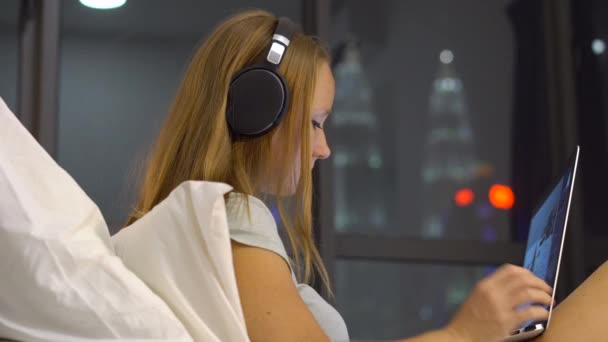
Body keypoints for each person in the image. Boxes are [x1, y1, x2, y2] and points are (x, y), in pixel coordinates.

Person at [125, 9, 601, 342]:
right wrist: (461, 333)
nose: (323, 148)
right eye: (314, 123)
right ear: (256, 110)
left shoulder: (184, 229)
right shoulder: (229, 217)